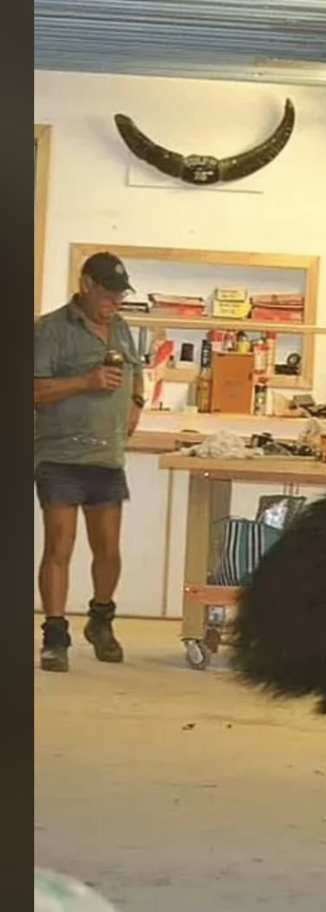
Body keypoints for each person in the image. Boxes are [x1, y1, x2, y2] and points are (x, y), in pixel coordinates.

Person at [33, 252, 145, 673]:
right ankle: (55, 634)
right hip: (60, 454)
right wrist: (87, 381)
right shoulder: (50, 330)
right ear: (86, 285)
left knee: (109, 550)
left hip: (106, 455)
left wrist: (136, 401)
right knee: (59, 546)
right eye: (108, 294)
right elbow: (33, 388)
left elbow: (136, 371)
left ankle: (100, 620)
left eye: (120, 295)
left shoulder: (121, 328)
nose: (114, 302)